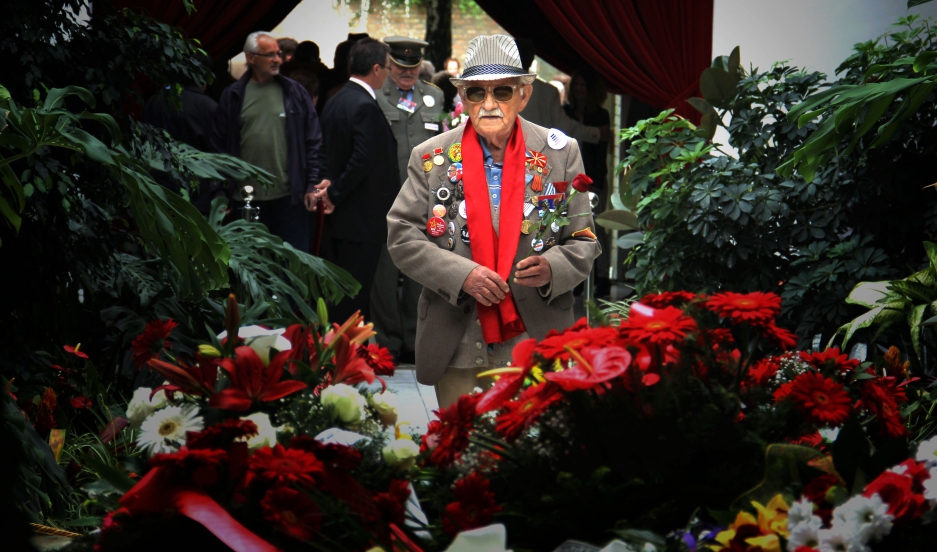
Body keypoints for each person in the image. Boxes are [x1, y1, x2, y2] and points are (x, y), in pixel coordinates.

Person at [386, 34, 601, 407]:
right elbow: (403, 236)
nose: (488, 104)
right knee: (458, 449)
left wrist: (553, 267)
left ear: (524, 95)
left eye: (502, 92)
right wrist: (461, 275)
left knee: (526, 455)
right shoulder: (431, 155)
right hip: (457, 338)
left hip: (533, 334)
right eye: (476, 93)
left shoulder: (561, 153)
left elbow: (584, 239)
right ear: (462, 96)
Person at [210, 31, 324, 252]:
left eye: (278, 54)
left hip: (289, 198)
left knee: (293, 267)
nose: (277, 60)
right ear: (251, 58)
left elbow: (313, 140)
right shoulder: (233, 95)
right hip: (246, 198)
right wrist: (219, 192)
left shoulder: (294, 92)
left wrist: (311, 184)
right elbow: (217, 147)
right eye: (270, 55)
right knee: (254, 267)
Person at [369, 37, 445, 364]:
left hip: (426, 199)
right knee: (384, 275)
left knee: (421, 270)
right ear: (389, 65)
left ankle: (416, 340)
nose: (407, 74)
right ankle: (387, 341)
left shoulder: (435, 95)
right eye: (401, 67)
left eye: (413, 68)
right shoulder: (375, 94)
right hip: (387, 197)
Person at [317, 38, 398, 323]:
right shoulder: (363, 104)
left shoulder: (336, 98)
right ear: (376, 69)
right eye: (388, 68)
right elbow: (362, 159)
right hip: (360, 216)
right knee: (355, 290)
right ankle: (349, 355)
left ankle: (338, 349)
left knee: (341, 287)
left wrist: (327, 184)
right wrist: (334, 193)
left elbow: (328, 152)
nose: (389, 73)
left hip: (343, 218)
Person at [142, 53, 219, 213]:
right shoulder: (208, 107)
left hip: (156, 186)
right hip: (196, 191)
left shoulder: (155, 101)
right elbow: (217, 154)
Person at [565, 69, 611, 297]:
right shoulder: (565, 113)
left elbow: (601, 149)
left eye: (584, 85)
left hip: (594, 179)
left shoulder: (601, 115)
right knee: (573, 229)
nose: (579, 89)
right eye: (576, 85)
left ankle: (602, 278)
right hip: (570, 180)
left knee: (597, 229)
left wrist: (594, 181)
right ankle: (579, 279)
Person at [513, 38, 610, 146]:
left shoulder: (497, 89)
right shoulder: (548, 92)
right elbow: (564, 127)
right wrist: (596, 133)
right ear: (531, 59)